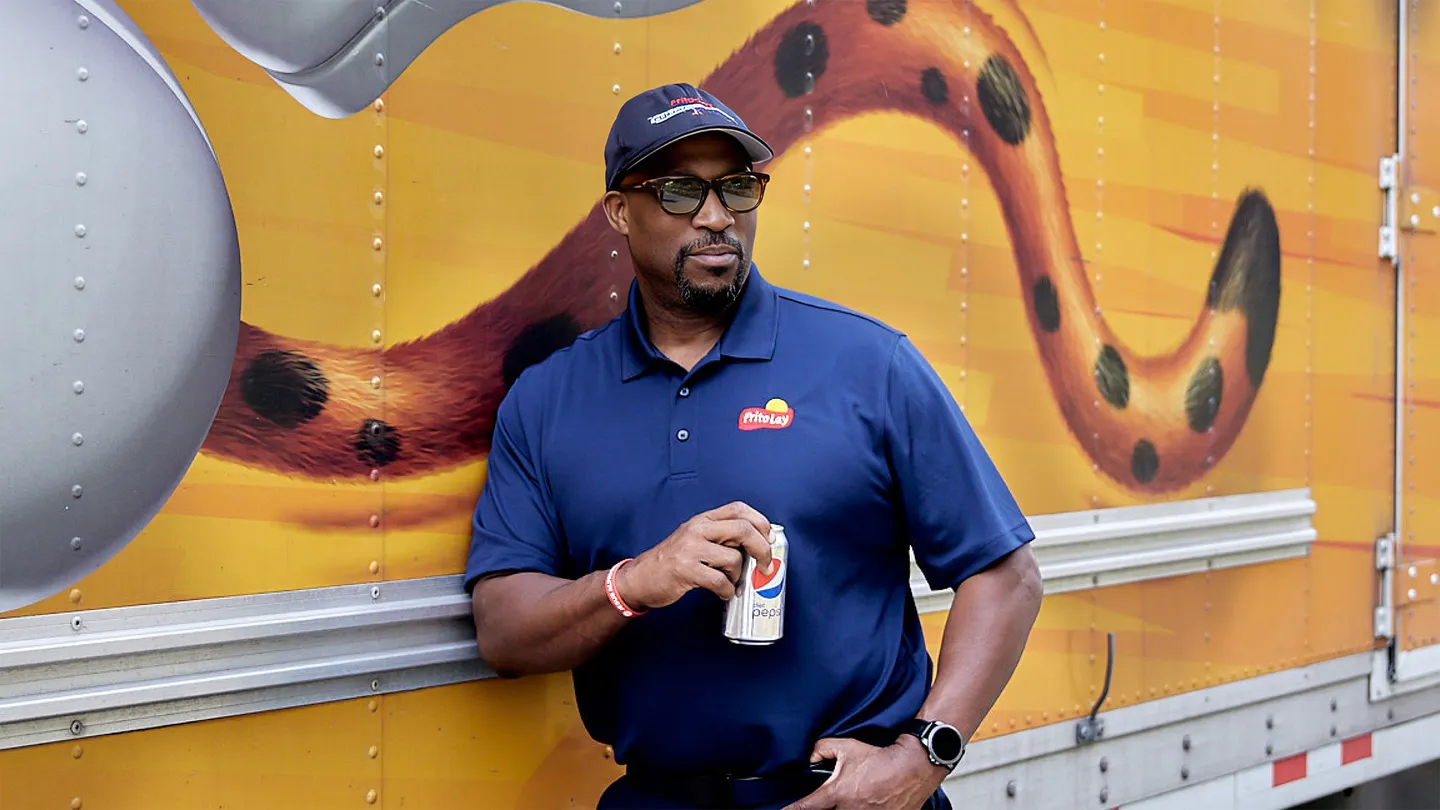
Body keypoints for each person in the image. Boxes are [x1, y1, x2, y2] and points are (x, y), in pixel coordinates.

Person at [465, 82, 1044, 810]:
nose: (716, 217)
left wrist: (924, 756)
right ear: (619, 212)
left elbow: (1006, 576)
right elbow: (504, 633)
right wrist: (634, 583)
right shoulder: (549, 398)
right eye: (680, 191)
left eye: (737, 187)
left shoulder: (868, 364)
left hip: (841, 799)